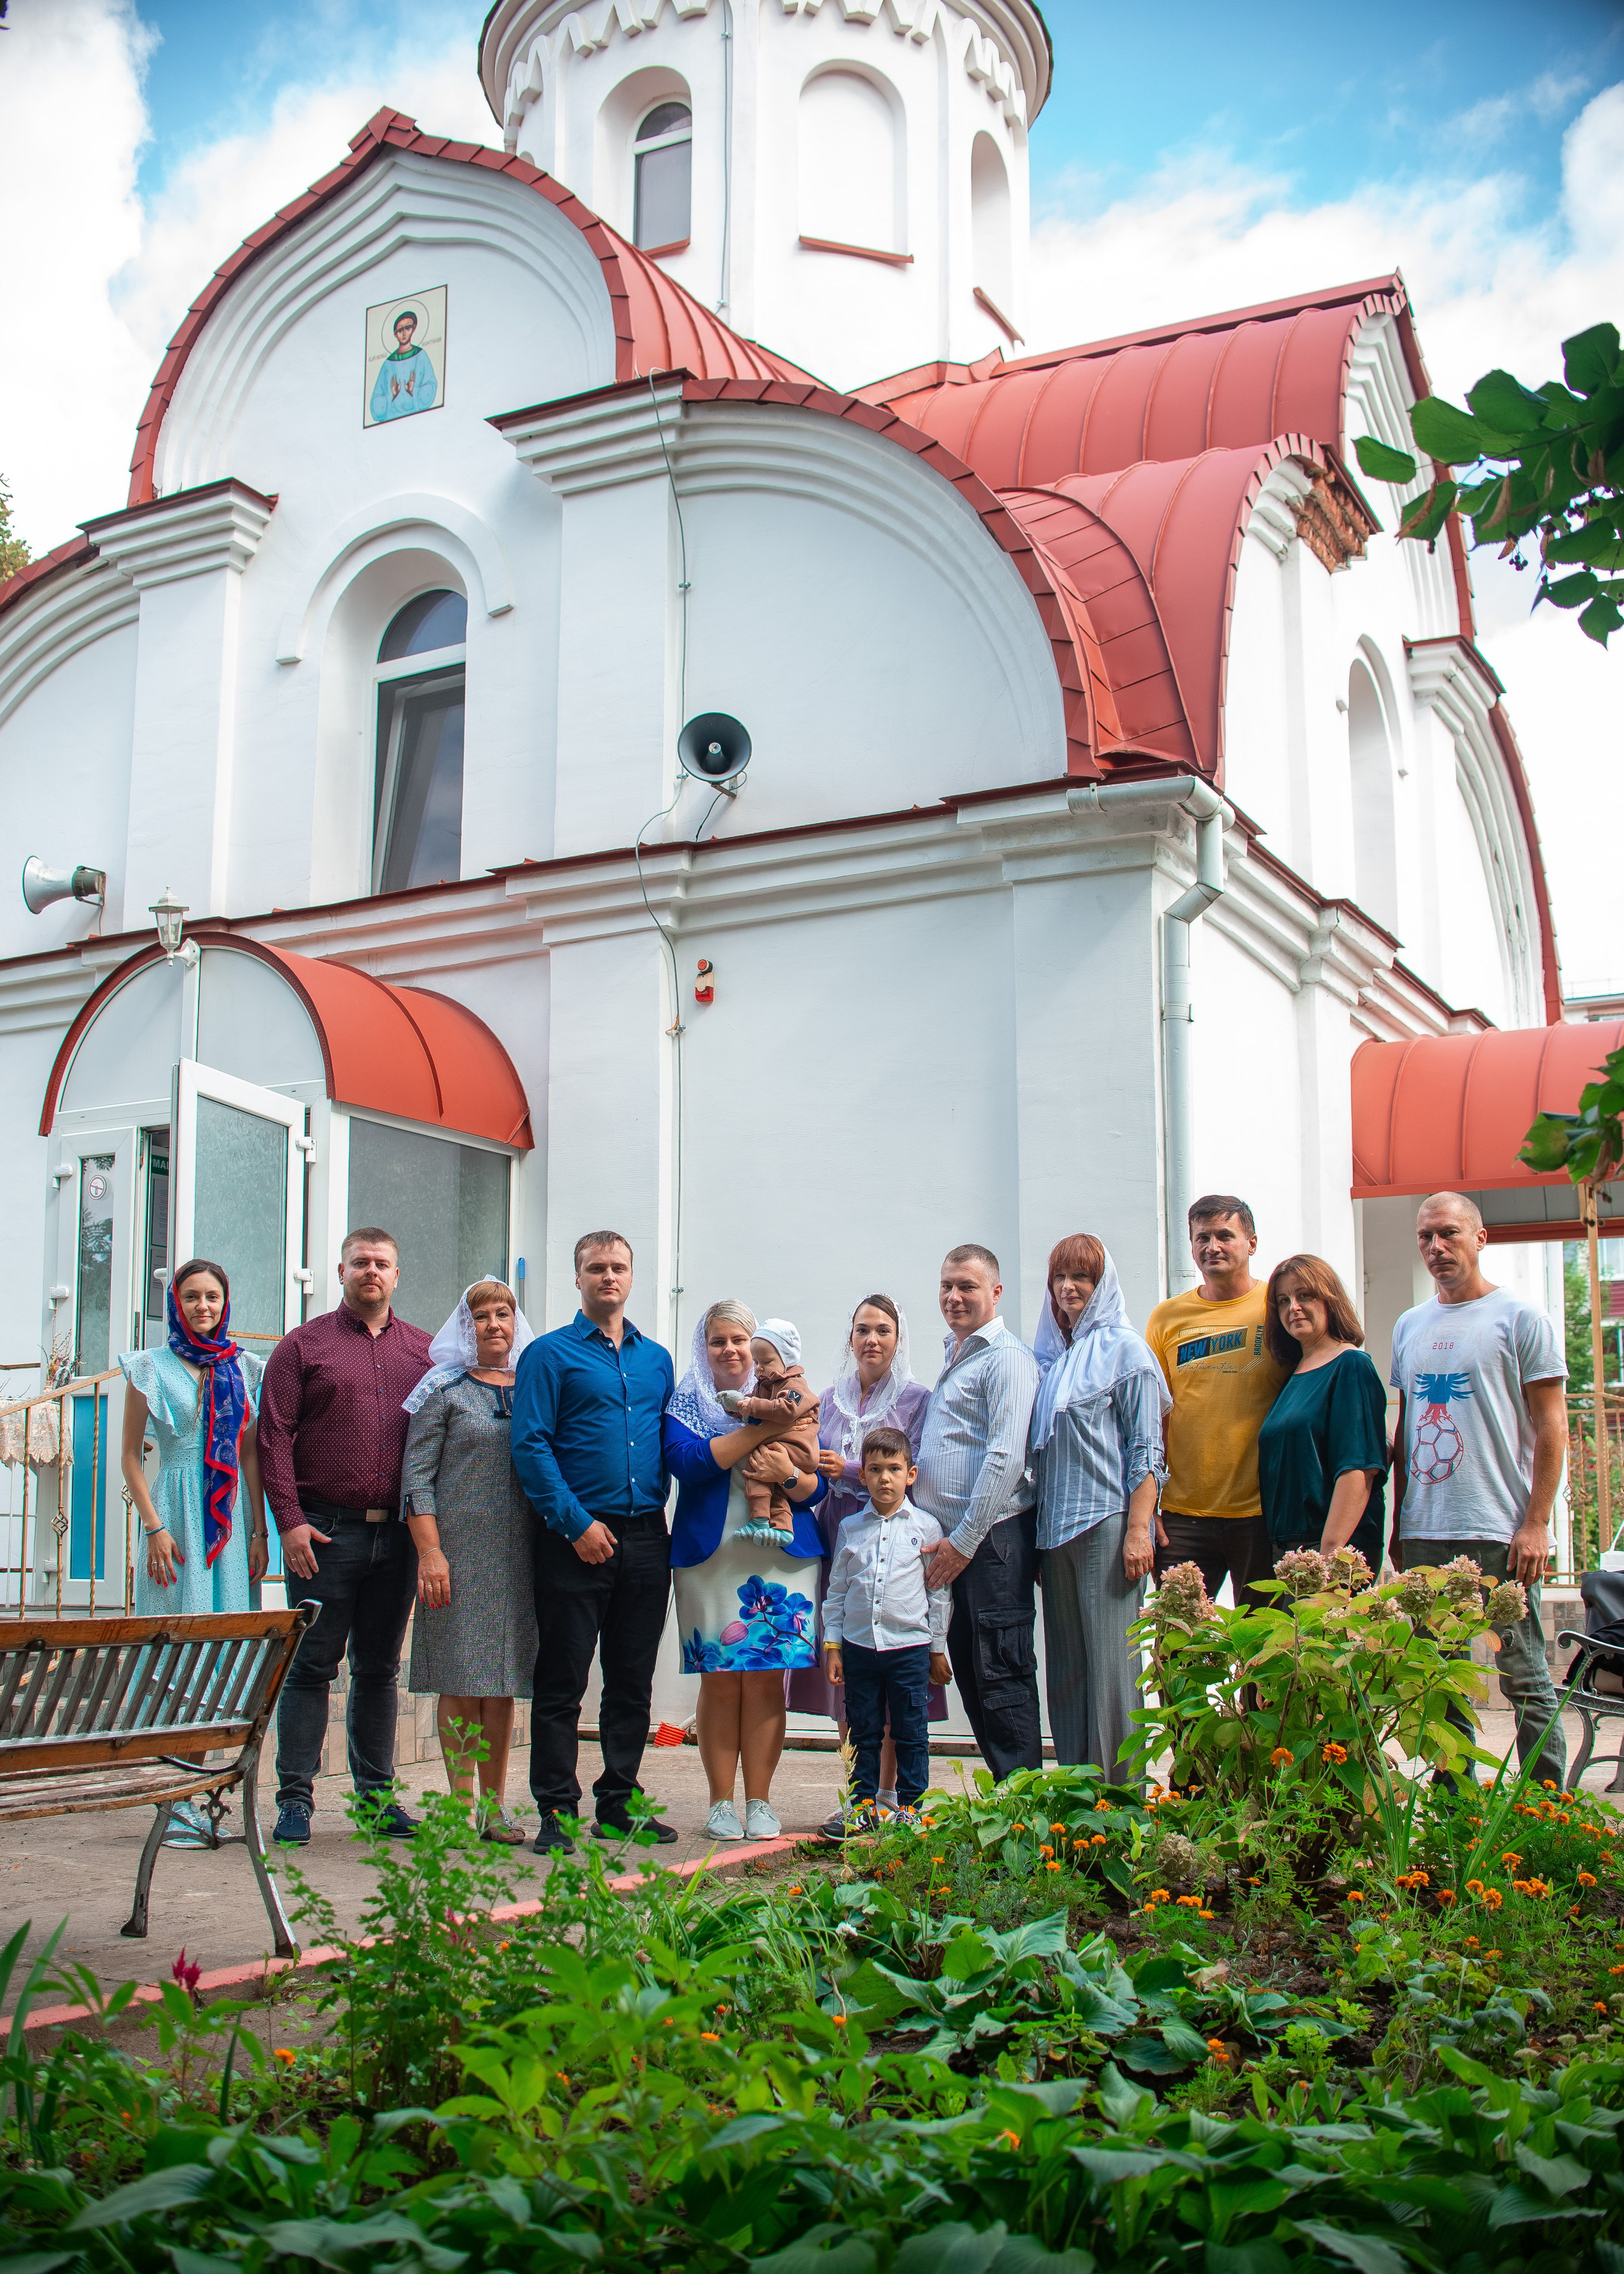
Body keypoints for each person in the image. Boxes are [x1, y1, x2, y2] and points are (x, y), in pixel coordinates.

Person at [258, 1228, 433, 1846]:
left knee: (380, 1669)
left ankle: (376, 1800)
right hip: (323, 1534)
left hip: (399, 1537)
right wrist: (290, 1521)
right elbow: (272, 1436)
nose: (372, 1270)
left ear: (396, 1272)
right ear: (341, 1269)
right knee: (309, 1666)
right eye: (361, 1261)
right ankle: (295, 1800)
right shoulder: (302, 1347)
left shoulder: (426, 1352)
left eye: (382, 1262)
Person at [1390, 1190, 1569, 1789]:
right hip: (1425, 1534)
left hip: (1499, 1530)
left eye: (1448, 1233)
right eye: (1425, 1237)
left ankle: (1548, 1815)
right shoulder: (1410, 1325)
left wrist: (1537, 1521)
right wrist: (1398, 1524)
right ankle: (1454, 1813)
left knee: (1524, 1677)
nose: (1436, 1248)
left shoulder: (1520, 1319)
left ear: (1480, 1237)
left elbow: (1552, 1425)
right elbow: (1406, 1430)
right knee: (1438, 1679)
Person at [510, 1232, 676, 1855]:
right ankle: (556, 1810)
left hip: (644, 1537)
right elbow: (529, 1444)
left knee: (631, 1683)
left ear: (632, 1275)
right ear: (577, 1277)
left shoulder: (655, 1359)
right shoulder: (548, 1355)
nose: (608, 1276)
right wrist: (574, 1522)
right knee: (562, 1681)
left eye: (618, 1267)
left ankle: (618, 1804)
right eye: (595, 1267)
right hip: (573, 1538)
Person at [119, 1259, 270, 1848]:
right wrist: (154, 1529)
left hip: (229, 1528)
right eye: (191, 1298)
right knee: (179, 1656)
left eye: (212, 1297)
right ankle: (174, 1803)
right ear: (174, 1304)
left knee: (223, 1658)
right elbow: (131, 1457)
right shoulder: (149, 1367)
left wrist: (260, 1532)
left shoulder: (244, 1368)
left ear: (224, 1302)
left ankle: (206, 1799)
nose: (203, 1307)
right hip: (176, 1522)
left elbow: (251, 1455)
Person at [665, 1299, 827, 1841]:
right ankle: (719, 1805)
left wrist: (787, 1471)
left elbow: (815, 1486)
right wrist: (762, 1427)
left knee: (764, 1682)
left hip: (780, 1556)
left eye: (741, 1341)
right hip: (713, 1557)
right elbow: (687, 1462)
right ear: (704, 1349)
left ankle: (759, 1802)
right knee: (720, 1682)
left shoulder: (788, 1394)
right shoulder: (687, 1401)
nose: (731, 1350)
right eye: (719, 1341)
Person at [402, 1280, 539, 1843]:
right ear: (466, 1327)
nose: (493, 1325)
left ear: (515, 1321)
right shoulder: (443, 1391)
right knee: (461, 1679)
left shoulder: (533, 1388)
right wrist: (430, 1553)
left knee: (502, 1681)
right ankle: (460, 1808)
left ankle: (496, 1808)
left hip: (521, 1558)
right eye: (480, 1316)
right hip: (456, 1554)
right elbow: (416, 1479)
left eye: (502, 1314)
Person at [796, 1294, 940, 1818]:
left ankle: (892, 1793)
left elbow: (919, 1464)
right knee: (854, 1671)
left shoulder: (918, 1399)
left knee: (896, 1676)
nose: (872, 1339)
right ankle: (859, 1792)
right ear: (850, 1338)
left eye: (883, 1329)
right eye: (862, 1330)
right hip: (843, 1536)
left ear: (898, 1340)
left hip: (897, 1541)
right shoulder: (830, 1400)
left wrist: (852, 1469)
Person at [1029, 1234, 1166, 1782]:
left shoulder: (1125, 1349)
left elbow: (1147, 1449)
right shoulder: (1053, 1359)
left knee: (1114, 1674)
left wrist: (1139, 1531)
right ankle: (1078, 1801)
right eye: (1061, 1277)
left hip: (1107, 1525)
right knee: (1067, 1674)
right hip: (1054, 1531)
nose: (1068, 1288)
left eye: (1081, 1277)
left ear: (1102, 1284)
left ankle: (1124, 1804)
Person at [918, 1245, 1042, 1780]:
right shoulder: (959, 1352)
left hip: (991, 1542)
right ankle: (1008, 1805)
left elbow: (1005, 1457)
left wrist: (963, 1541)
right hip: (960, 1543)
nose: (954, 1296)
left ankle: (1031, 1812)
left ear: (995, 1292)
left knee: (1001, 1674)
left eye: (967, 1286)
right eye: (947, 1285)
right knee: (972, 1674)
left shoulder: (1006, 1357)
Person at [1143, 1195, 1289, 1607]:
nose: (1213, 1247)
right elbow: (1154, 1419)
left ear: (1252, 1243)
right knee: (1181, 1650)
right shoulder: (1167, 1317)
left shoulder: (1277, 1309)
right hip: (1182, 1516)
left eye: (1226, 1235)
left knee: (1264, 1648)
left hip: (1260, 1514)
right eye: (1202, 1237)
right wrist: (1148, 1505)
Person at [822, 1426, 953, 1830]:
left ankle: (912, 1810)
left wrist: (936, 1647)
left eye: (894, 1469)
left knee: (912, 1730)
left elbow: (939, 1592)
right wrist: (833, 1646)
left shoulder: (927, 1527)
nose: (884, 1478)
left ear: (910, 1475)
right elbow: (838, 1589)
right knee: (864, 1730)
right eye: (875, 1469)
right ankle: (862, 1808)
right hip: (860, 1647)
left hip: (909, 1648)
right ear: (861, 1475)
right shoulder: (851, 1529)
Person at [1257, 1255, 1388, 1574]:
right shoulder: (1295, 1374)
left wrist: (1330, 1559)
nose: (1294, 1308)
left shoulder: (1351, 1365)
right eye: (1284, 1300)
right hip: (1291, 1551)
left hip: (1332, 1552)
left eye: (1305, 1296)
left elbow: (1358, 1470)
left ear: (1329, 1299)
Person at [720, 1319, 824, 1537]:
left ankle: (759, 1519)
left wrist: (753, 1406)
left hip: (799, 1448)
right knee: (772, 1481)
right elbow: (756, 1411)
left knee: (759, 1466)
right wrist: (737, 1406)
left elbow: (786, 1410)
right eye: (757, 1361)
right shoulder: (765, 1386)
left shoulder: (795, 1384)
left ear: (786, 1359)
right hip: (785, 1445)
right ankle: (781, 1528)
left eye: (767, 1361)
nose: (759, 1368)